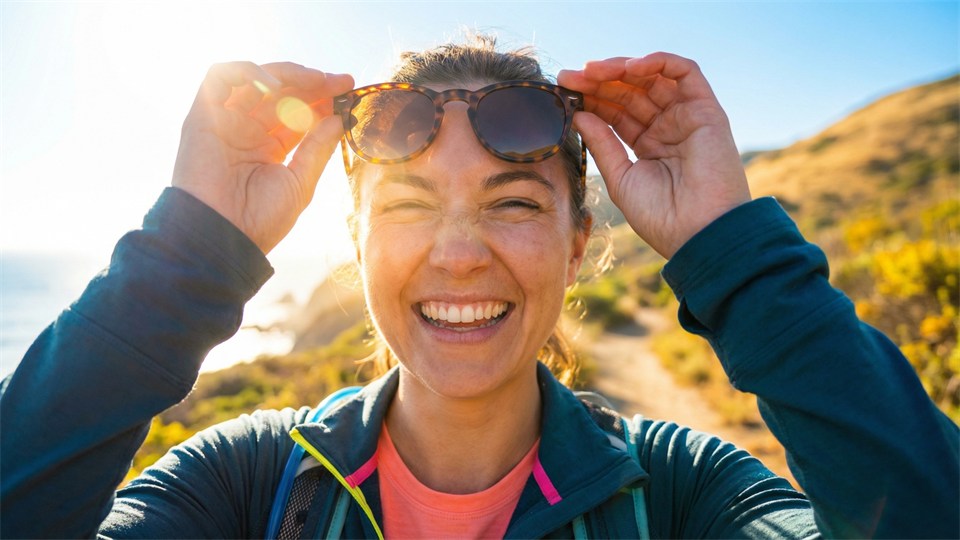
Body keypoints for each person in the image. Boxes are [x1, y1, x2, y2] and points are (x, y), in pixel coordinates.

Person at [1, 37, 957, 539]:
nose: (458, 254)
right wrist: (183, 260)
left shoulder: (679, 495)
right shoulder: (247, 485)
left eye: (512, 203)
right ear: (356, 242)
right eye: (409, 203)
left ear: (577, 245)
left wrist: (734, 254)